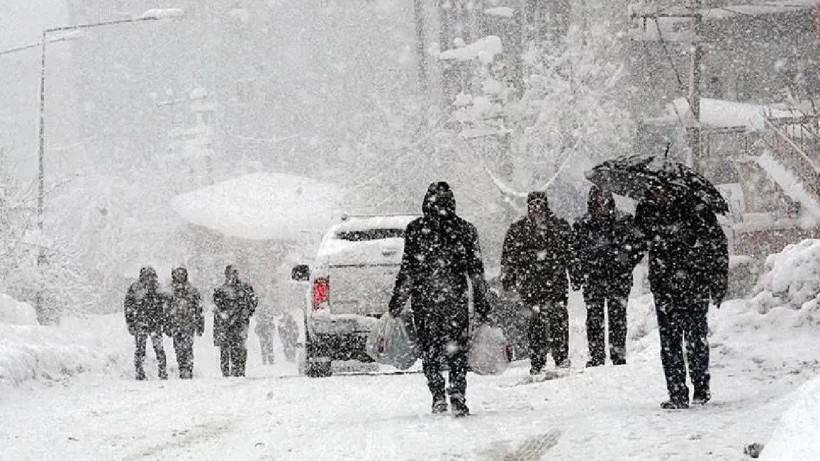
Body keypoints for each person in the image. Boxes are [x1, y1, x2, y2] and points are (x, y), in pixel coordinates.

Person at [388, 181, 491, 417]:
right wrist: (483, 305)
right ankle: (457, 394)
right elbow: (476, 272)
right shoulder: (465, 230)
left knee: (430, 350)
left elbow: (408, 270)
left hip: (426, 301)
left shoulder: (416, 230)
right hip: (455, 300)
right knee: (457, 352)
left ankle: (437, 395)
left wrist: (397, 301)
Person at [635, 184, 728, 409]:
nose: (658, 194)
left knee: (695, 338)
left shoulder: (695, 208)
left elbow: (717, 244)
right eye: (654, 190)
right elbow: (636, 243)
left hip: (694, 283)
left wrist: (717, 280)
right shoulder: (646, 211)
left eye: (662, 190)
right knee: (670, 342)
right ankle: (677, 392)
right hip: (664, 286)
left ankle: (701, 388)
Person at [501, 191, 574, 374]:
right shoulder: (518, 228)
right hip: (530, 282)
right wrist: (508, 279)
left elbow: (571, 253)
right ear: (528, 206)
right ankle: (538, 361)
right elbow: (509, 256)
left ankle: (561, 357)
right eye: (533, 204)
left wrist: (576, 275)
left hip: (555, 281)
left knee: (558, 320)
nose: (537, 208)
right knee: (535, 324)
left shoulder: (559, 226)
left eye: (540, 204)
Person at [571, 186, 644, 367]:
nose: (601, 207)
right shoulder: (582, 225)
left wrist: (627, 261)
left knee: (617, 317)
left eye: (604, 202)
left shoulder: (624, 221)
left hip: (618, 277)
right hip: (593, 278)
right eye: (597, 203)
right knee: (594, 318)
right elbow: (573, 252)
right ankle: (596, 356)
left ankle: (618, 355)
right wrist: (578, 274)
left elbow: (639, 245)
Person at [213, 265, 258, 377]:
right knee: (225, 348)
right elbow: (217, 308)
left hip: (240, 323)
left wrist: (247, 312)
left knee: (239, 348)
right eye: (230, 274)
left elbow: (253, 301)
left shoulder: (245, 288)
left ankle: (239, 370)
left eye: (234, 273)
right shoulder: (220, 290)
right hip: (225, 324)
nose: (232, 276)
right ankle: (226, 371)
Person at [124, 266, 168, 380]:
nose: (149, 278)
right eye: (146, 275)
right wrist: (130, 322)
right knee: (142, 349)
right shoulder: (136, 288)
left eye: (150, 275)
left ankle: (161, 372)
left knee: (157, 349)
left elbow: (165, 306)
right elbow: (128, 306)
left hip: (152, 322)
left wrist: (164, 320)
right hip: (142, 323)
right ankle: (141, 372)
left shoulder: (156, 288)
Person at [164, 266, 204, 379]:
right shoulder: (169, 291)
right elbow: (165, 309)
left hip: (189, 324)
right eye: (177, 273)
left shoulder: (192, 290)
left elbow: (199, 308)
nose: (180, 276)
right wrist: (166, 324)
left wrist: (200, 324)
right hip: (175, 324)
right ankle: (182, 367)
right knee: (178, 348)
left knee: (188, 347)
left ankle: (188, 369)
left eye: (182, 273)